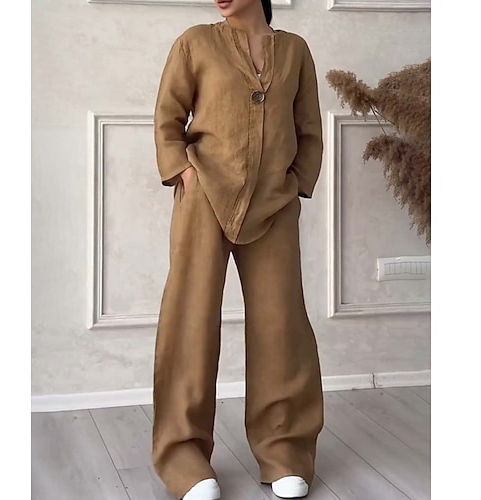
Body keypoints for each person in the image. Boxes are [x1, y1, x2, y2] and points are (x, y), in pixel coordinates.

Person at [151, 1, 324, 499]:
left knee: (281, 325)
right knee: (191, 321)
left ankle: (284, 450)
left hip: (274, 203)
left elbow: (308, 128)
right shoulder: (195, 43)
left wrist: (297, 184)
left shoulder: (295, 51)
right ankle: (184, 458)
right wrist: (183, 172)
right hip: (204, 196)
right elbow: (168, 117)